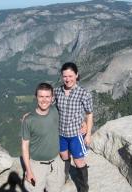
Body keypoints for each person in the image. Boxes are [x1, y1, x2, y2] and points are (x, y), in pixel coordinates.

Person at [54, 62, 93, 192]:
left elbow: (89, 113)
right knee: (64, 156)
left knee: (78, 161)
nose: (68, 79)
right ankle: (65, 176)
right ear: (62, 76)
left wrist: (88, 134)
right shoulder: (57, 91)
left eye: (70, 76)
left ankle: (83, 188)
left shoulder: (83, 93)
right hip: (61, 133)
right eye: (65, 76)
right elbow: (48, 107)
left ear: (76, 75)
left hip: (76, 134)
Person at [21, 83, 65, 192]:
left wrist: (82, 123)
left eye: (47, 97)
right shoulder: (28, 120)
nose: (44, 100)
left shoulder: (55, 111)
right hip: (37, 166)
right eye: (41, 96)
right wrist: (29, 170)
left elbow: (70, 115)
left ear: (52, 98)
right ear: (36, 97)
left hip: (56, 164)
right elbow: (24, 146)